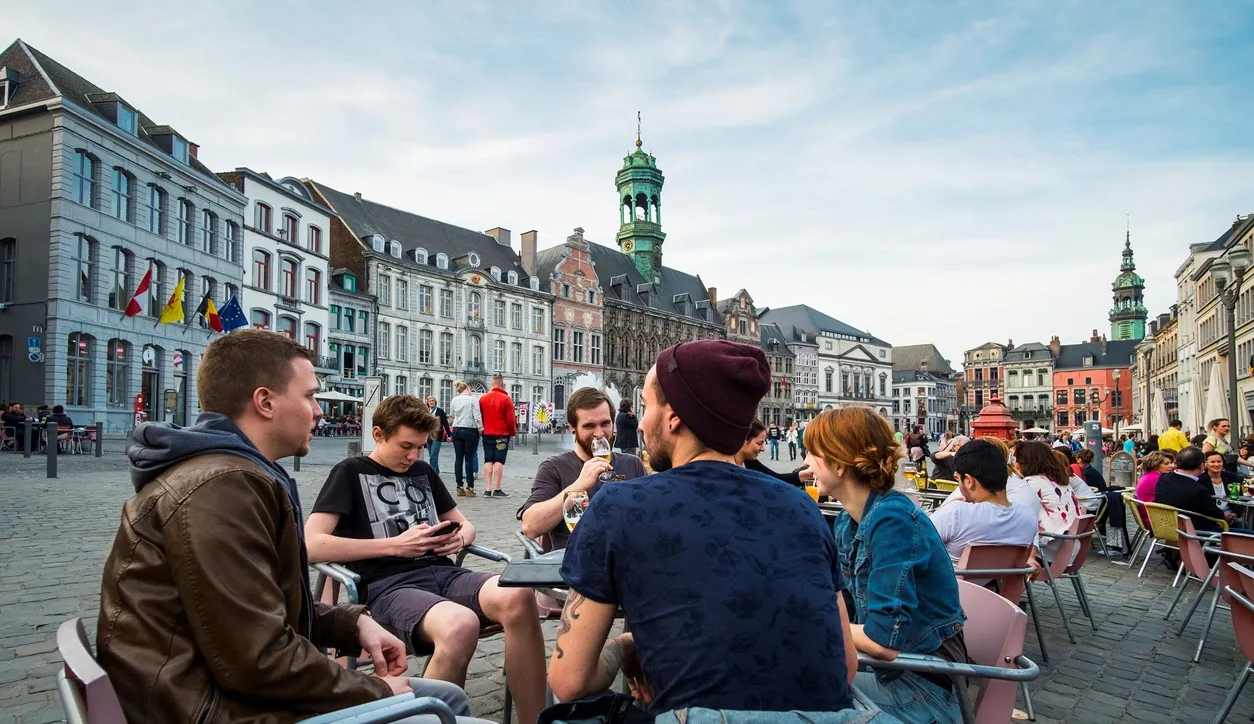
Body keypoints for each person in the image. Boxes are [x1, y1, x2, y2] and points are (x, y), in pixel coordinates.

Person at [96, 329, 486, 724]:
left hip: (219, 691)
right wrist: (376, 690)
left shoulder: (233, 474)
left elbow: (258, 609)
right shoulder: (221, 489)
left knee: (447, 697)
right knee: (444, 709)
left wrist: (351, 622)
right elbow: (259, 657)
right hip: (213, 707)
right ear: (265, 402)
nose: (318, 411)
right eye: (309, 396)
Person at [550, 340, 859, 715]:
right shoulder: (802, 507)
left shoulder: (618, 507)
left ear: (673, 417)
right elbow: (845, 666)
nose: (641, 423)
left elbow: (570, 681)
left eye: (646, 406)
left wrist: (626, 644)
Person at [306, 394, 545, 724]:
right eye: (406, 446)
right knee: (460, 624)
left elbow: (466, 525)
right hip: (387, 587)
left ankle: (534, 720)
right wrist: (395, 546)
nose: (413, 456)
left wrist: (459, 538)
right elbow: (311, 544)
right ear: (378, 434)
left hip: (445, 575)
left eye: (420, 447)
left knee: (519, 595)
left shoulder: (423, 471)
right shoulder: (350, 472)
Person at [817, 406, 965, 723]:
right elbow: (847, 609)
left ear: (839, 464)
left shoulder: (892, 520)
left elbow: (883, 641)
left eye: (813, 453)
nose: (806, 462)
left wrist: (814, 621)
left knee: (790, 684)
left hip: (920, 687)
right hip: (887, 671)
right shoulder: (847, 520)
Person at [518, 387, 647, 552]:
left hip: (624, 560)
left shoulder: (632, 464)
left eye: (605, 423)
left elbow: (649, 519)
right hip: (572, 561)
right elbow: (530, 527)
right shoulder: (554, 467)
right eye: (589, 426)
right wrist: (579, 485)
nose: (599, 433)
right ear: (572, 427)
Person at [928, 439, 1039, 563]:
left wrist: (937, 511)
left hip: (951, 575)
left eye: (958, 479)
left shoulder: (956, 514)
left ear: (969, 481)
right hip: (998, 575)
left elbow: (915, 544)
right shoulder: (1028, 516)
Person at [1014, 440, 1082, 560]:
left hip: (1048, 550)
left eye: (1016, 459)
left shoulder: (1032, 483)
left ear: (1025, 462)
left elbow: (1013, 511)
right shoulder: (1060, 481)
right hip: (1068, 547)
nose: (1014, 464)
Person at [1155, 446, 1243, 534]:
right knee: (1248, 535)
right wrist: (1227, 517)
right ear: (1202, 465)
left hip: (1165, 528)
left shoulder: (1164, 478)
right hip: (1195, 533)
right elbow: (1216, 515)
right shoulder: (1198, 490)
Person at [478, 374, 517, 498]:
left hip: (487, 433)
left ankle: (487, 489)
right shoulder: (506, 399)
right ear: (502, 384)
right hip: (502, 434)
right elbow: (511, 419)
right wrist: (513, 432)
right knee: (499, 461)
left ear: (492, 384)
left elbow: (480, 416)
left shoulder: (483, 399)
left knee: (488, 460)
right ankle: (497, 489)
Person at [448, 381, 482, 496]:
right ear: (467, 388)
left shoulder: (454, 400)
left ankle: (459, 485)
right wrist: (480, 429)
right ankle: (470, 486)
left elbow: (452, 414)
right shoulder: (472, 400)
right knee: (469, 458)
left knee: (458, 458)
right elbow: (477, 416)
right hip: (470, 429)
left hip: (457, 429)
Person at [425, 395, 452, 474]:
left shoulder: (440, 411)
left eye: (433, 400)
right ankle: (436, 470)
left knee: (433, 454)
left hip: (437, 435)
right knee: (431, 454)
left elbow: (445, 423)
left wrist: (449, 434)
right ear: (427, 402)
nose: (431, 402)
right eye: (430, 401)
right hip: (428, 435)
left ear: (435, 402)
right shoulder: (426, 411)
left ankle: (432, 473)